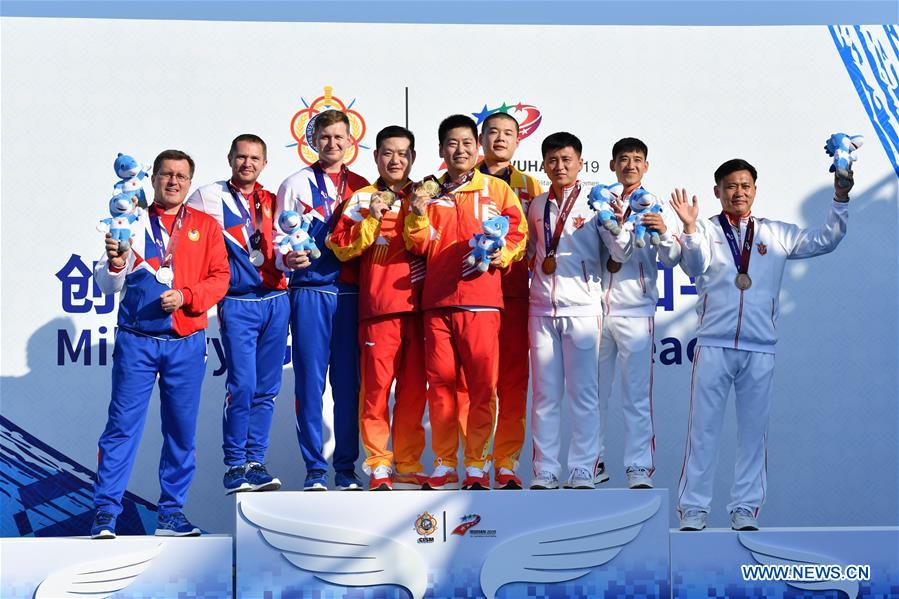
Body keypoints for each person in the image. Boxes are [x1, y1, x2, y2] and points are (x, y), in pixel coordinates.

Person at [671, 158, 852, 531]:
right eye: (731, 186)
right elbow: (693, 266)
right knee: (702, 432)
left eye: (745, 185)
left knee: (754, 435)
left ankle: (745, 508)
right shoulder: (704, 230)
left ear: (754, 190)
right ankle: (693, 508)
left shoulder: (776, 233)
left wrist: (840, 198)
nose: (739, 192)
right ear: (717, 191)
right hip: (714, 345)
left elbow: (827, 239)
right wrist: (688, 228)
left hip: (760, 349)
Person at [91, 149, 229, 538]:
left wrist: (186, 296)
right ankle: (105, 512)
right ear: (152, 179)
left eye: (181, 176)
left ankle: (170, 514)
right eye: (166, 174)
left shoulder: (205, 225)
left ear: (190, 183)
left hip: (185, 341)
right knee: (121, 428)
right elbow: (107, 284)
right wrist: (116, 263)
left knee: (181, 432)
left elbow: (220, 278)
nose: (173, 181)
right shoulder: (132, 220)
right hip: (137, 340)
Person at [404, 114, 527, 490]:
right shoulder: (427, 191)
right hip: (437, 303)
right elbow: (417, 245)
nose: (460, 149)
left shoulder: (496, 189)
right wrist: (417, 213)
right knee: (440, 387)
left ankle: (477, 464)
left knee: (482, 388)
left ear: (478, 148)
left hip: (481, 302)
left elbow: (518, 234)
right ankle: (444, 463)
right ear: (442, 149)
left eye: (467, 143)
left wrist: (501, 255)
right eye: (452, 143)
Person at [527, 132, 632, 490]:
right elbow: (532, 252)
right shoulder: (536, 206)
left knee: (584, 393)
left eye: (566, 160)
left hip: (584, 309)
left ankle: (583, 467)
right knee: (544, 395)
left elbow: (620, 253)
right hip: (541, 309)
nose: (560, 166)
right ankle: (545, 469)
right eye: (553, 160)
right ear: (544, 165)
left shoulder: (595, 204)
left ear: (580, 163)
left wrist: (615, 226)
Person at [327, 125, 428, 491]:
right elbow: (340, 247)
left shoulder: (428, 195)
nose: (395, 160)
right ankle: (379, 464)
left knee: (414, 393)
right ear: (375, 157)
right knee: (376, 392)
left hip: (423, 309)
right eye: (388, 152)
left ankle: (408, 463)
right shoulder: (361, 198)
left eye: (402, 153)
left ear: (413, 158)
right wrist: (371, 218)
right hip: (379, 308)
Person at [187, 134, 288, 494]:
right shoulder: (207, 196)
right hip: (238, 302)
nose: (248, 163)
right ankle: (234, 465)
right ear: (230, 158)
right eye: (241, 157)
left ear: (264, 163)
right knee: (242, 385)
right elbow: (181, 229)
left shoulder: (273, 200)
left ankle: (255, 461)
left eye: (255, 158)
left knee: (267, 389)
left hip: (277, 299)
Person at [276, 110, 369, 491]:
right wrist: (287, 259)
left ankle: (346, 467)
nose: (332, 143)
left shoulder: (363, 186)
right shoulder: (295, 184)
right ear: (312, 141)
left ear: (350, 141)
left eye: (338, 137)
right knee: (310, 385)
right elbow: (279, 241)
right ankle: (315, 468)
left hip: (350, 294)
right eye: (325, 137)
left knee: (349, 386)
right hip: (310, 291)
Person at [596, 138, 681, 489]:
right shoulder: (600, 202)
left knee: (636, 396)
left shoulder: (656, 206)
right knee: (593, 394)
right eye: (623, 159)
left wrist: (663, 233)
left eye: (637, 159)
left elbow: (672, 259)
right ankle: (592, 461)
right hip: (595, 310)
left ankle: (639, 467)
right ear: (612, 165)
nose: (630, 165)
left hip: (636, 310)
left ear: (646, 166)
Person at [474, 112, 544, 489]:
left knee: (514, 382)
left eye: (507, 134)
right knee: (475, 382)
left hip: (515, 293)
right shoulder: (463, 180)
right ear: (481, 138)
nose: (500, 139)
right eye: (493, 133)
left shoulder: (530, 186)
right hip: (471, 295)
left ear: (518, 141)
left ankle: (505, 463)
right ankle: (474, 461)